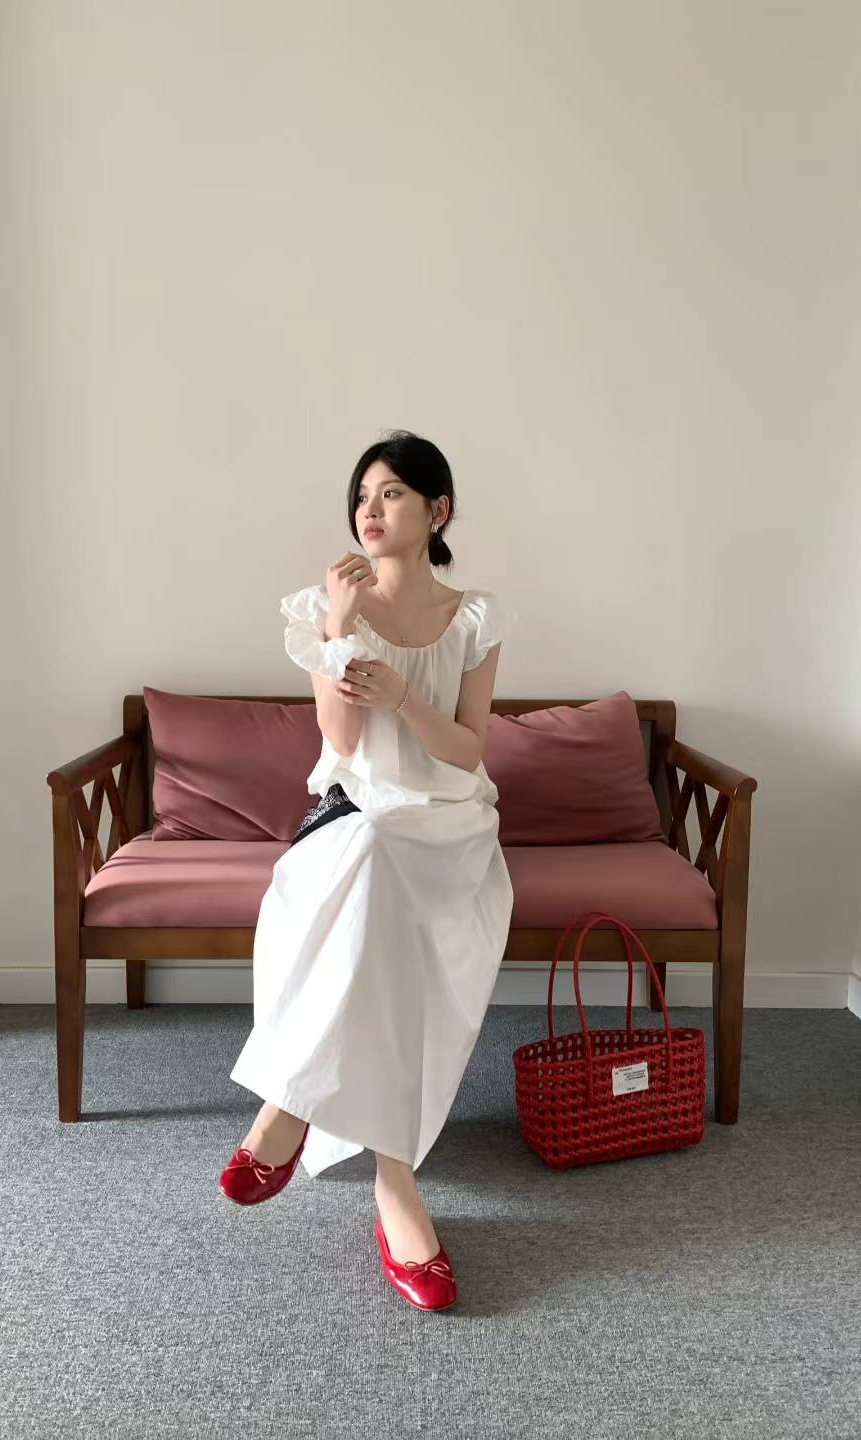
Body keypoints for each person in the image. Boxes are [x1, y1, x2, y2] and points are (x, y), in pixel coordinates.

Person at [224, 429, 516, 1308]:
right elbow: (343, 743)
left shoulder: (476, 618)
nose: (369, 510)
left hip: (451, 823)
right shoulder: (324, 610)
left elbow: (466, 752)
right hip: (356, 816)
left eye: (390, 493)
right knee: (375, 864)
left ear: (438, 509)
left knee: (384, 869)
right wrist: (338, 629)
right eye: (361, 495)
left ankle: (289, 1103)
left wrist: (404, 697)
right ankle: (396, 1188)